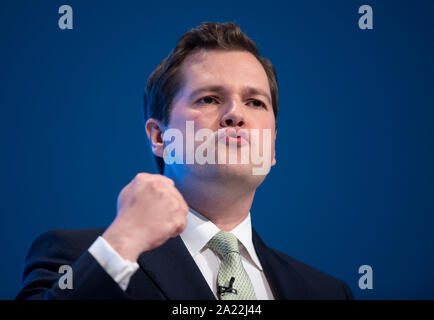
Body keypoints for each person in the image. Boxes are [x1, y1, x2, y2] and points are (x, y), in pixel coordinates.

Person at [16, 22, 353, 300]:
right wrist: (122, 244)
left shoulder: (326, 292)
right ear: (159, 138)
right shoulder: (78, 257)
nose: (235, 114)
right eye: (209, 98)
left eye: (255, 102)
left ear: (273, 144)